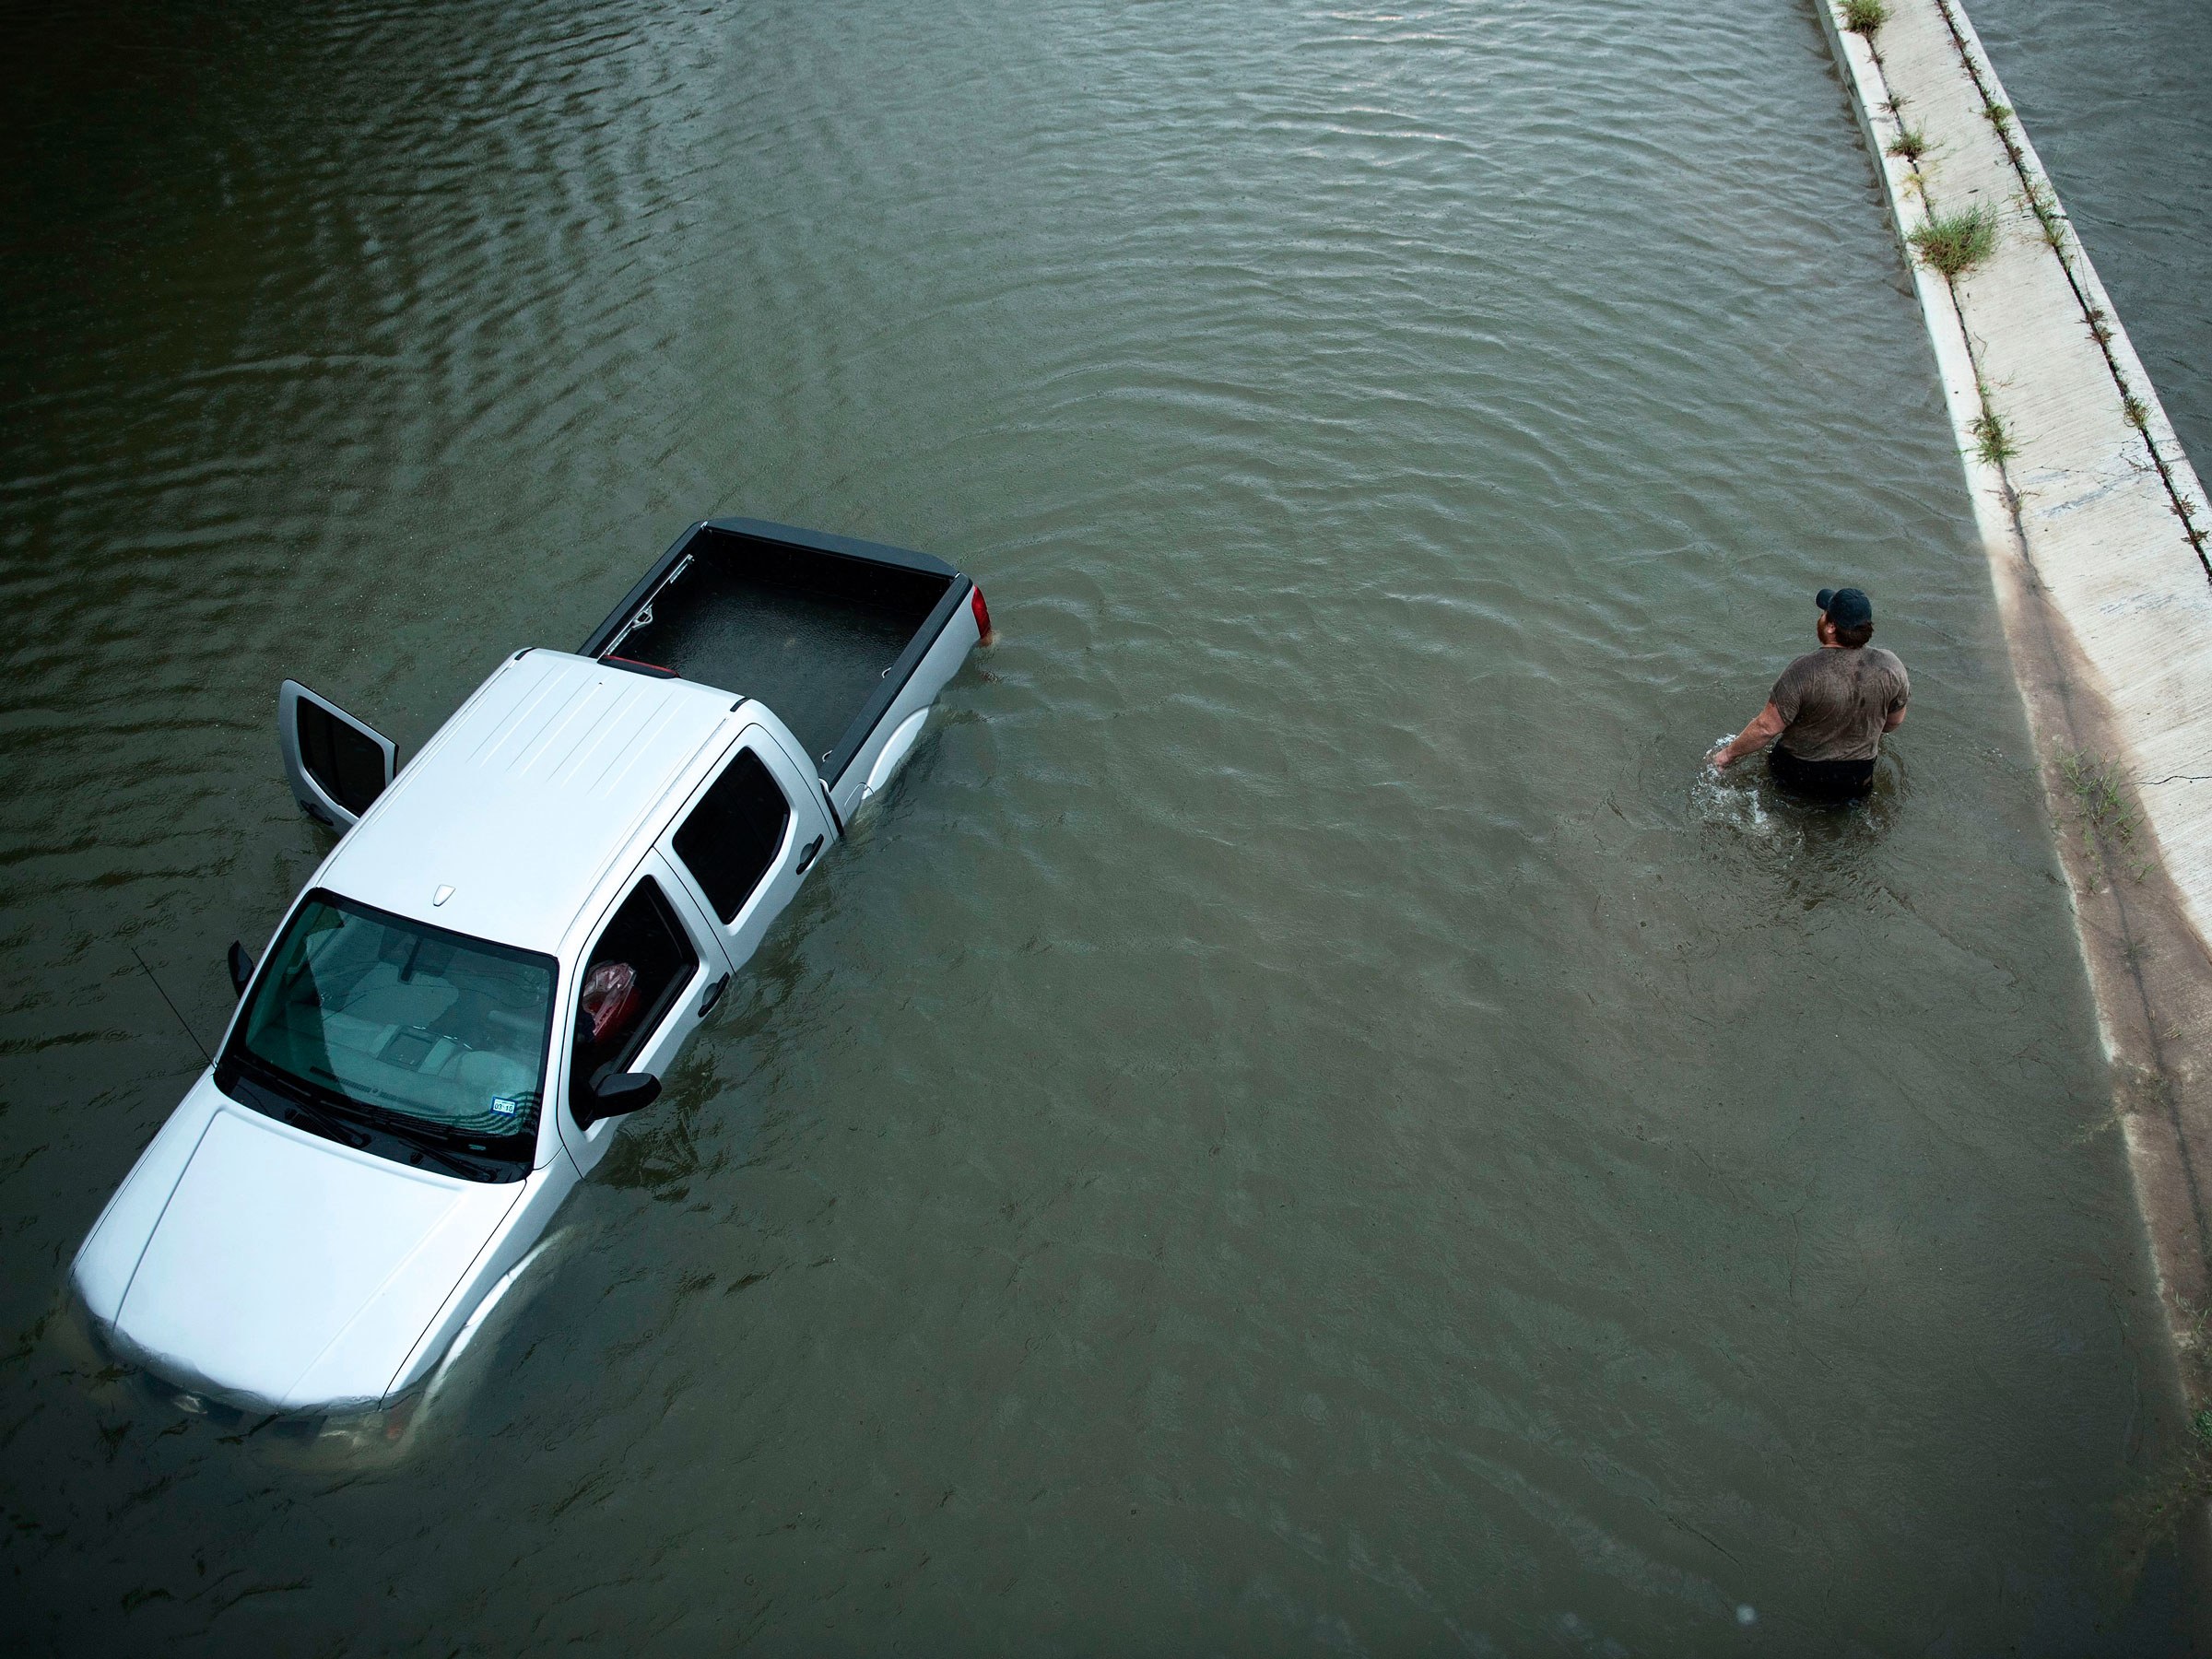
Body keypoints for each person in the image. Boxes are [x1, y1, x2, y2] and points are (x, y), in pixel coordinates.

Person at [1707, 587, 1908, 801]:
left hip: (1798, 776)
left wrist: (1727, 755)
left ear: (1831, 627)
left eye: (1823, 614)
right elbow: (1892, 723)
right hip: (1856, 779)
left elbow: (1766, 728)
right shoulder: (1891, 667)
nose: (1820, 618)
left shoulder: (1803, 671)